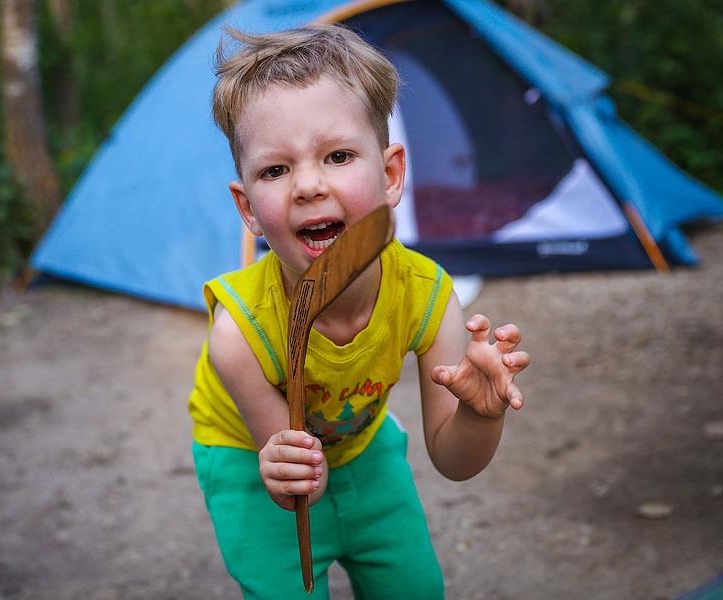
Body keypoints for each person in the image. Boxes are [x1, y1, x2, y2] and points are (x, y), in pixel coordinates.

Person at [188, 23, 531, 599]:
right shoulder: (238, 334)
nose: (308, 185)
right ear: (247, 208)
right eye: (275, 170)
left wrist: (479, 414)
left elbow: (453, 460)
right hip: (255, 463)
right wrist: (284, 470)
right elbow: (297, 488)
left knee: (415, 587)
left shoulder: (427, 296)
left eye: (339, 155)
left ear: (392, 174)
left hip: (363, 446)